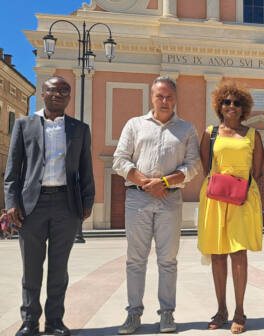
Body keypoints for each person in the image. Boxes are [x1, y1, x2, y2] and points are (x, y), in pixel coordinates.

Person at [4, 76, 95, 336]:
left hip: (66, 205)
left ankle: (55, 321)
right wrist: (11, 203)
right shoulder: (24, 125)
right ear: (43, 93)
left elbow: (86, 171)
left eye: (64, 91)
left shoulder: (79, 129)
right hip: (31, 206)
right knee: (31, 270)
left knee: (59, 270)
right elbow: (12, 171)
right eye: (54, 90)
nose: (59, 94)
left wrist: (87, 202)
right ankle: (29, 322)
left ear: (69, 96)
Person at [113, 76, 201, 334]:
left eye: (169, 97)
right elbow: (120, 160)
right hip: (137, 199)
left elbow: (193, 166)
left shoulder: (186, 129)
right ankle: (133, 313)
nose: (164, 101)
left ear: (175, 99)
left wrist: (163, 182)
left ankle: (167, 314)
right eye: (159, 96)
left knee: (168, 260)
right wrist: (145, 183)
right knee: (135, 259)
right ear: (151, 98)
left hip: (170, 199)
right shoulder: (134, 125)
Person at [197, 81, 264, 334]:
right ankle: (221, 309)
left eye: (236, 103)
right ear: (219, 106)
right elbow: (206, 166)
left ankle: (239, 311)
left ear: (244, 107)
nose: (231, 106)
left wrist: (238, 187)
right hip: (215, 199)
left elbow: (256, 171)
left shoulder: (251, 135)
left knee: (238, 253)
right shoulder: (210, 133)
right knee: (217, 254)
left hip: (243, 198)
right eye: (226, 102)